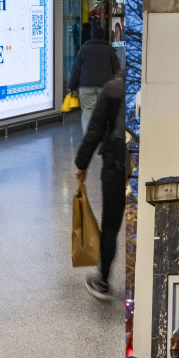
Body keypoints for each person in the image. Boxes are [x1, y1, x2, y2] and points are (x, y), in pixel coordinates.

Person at [73, 69, 128, 301]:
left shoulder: (114, 88)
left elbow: (95, 129)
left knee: (111, 225)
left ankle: (103, 282)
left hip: (117, 165)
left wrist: (81, 163)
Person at [68, 25, 122, 133]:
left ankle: (89, 137)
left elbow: (76, 69)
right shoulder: (109, 50)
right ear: (103, 36)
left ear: (91, 36)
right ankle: (103, 136)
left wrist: (72, 86)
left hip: (86, 86)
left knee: (88, 111)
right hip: (105, 87)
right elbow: (117, 70)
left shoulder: (83, 49)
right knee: (105, 111)